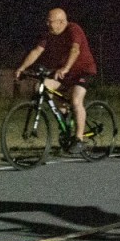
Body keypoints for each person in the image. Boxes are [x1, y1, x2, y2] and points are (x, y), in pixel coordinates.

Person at [14, 8, 97, 154]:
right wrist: (22, 68)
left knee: (76, 100)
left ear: (61, 22)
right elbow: (36, 51)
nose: (47, 24)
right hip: (63, 74)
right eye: (47, 21)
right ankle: (65, 122)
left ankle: (79, 139)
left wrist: (65, 68)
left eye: (50, 21)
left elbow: (75, 50)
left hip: (83, 72)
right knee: (40, 86)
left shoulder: (74, 29)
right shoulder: (49, 35)